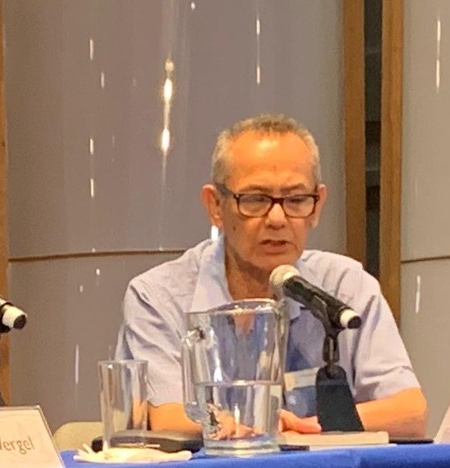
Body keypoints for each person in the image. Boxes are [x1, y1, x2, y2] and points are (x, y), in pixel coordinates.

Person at [114, 114, 425, 439]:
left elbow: (409, 411)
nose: (277, 218)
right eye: (256, 199)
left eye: (296, 200)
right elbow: (168, 417)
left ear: (317, 205)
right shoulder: (159, 295)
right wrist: (262, 429)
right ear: (215, 206)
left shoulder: (345, 286)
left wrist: (309, 426)